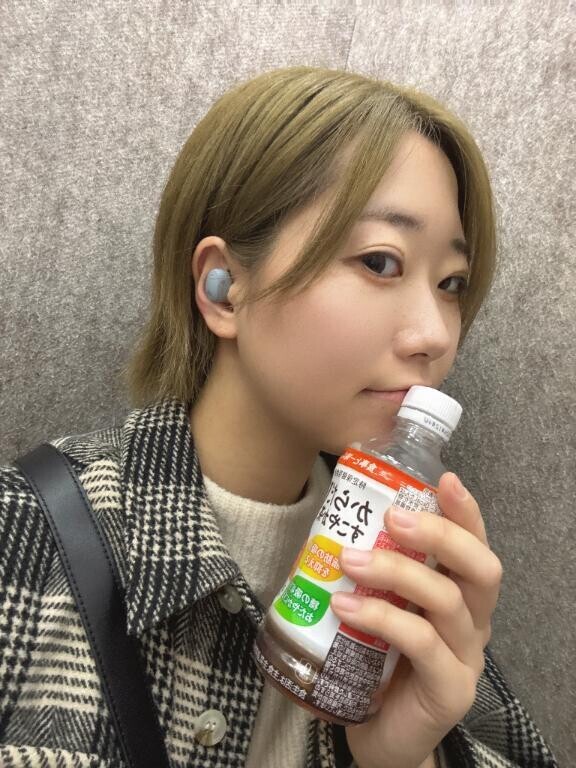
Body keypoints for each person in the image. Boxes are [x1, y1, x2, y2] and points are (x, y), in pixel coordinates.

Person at [0, 65, 558, 768]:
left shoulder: (411, 597)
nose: (435, 334)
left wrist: (404, 758)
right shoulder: (23, 544)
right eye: (380, 261)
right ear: (224, 289)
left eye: (451, 282)